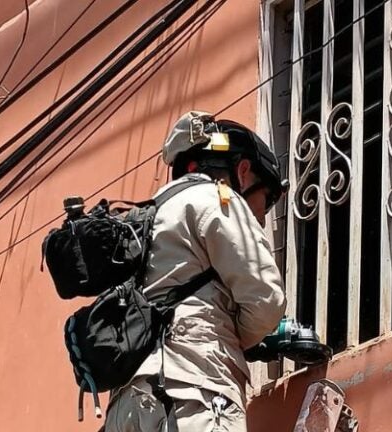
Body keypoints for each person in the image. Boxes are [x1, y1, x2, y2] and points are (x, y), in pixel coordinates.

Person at [104, 111, 288, 432]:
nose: (261, 217)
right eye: (266, 200)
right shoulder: (216, 199)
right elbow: (265, 300)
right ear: (243, 171)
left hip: (127, 407)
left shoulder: (139, 221)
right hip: (192, 393)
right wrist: (239, 336)